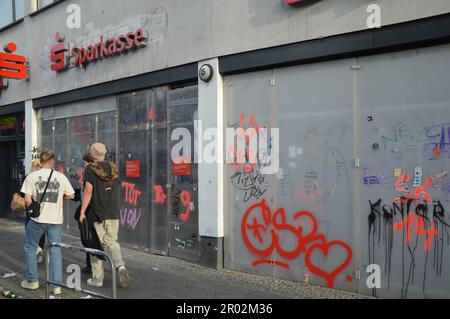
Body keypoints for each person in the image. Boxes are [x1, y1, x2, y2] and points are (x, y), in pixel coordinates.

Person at [21, 150, 75, 295]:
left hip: (37, 219)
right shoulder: (61, 177)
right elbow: (71, 195)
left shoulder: (31, 177)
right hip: (55, 220)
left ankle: (32, 281)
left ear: (40, 161)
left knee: (30, 247)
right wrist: (59, 200)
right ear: (52, 162)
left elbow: (27, 200)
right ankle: (56, 286)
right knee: (55, 250)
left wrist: (32, 206)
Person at [79, 143, 130, 288]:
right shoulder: (113, 167)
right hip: (113, 211)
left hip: (97, 212)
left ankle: (98, 279)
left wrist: (83, 211)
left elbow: (88, 191)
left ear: (92, 154)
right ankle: (120, 266)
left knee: (96, 245)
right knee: (112, 242)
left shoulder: (90, 169)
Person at [23, 159, 46, 264]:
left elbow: (24, 194)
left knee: (30, 229)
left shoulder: (29, 177)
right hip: (42, 207)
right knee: (41, 231)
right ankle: (39, 250)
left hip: (32, 208)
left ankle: (36, 251)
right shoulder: (44, 178)